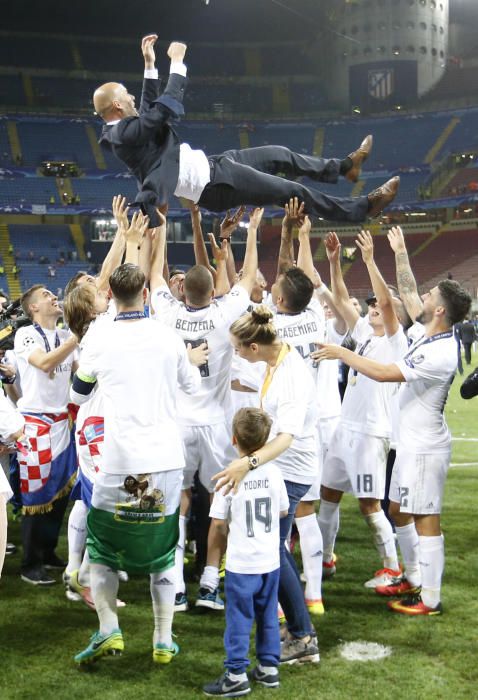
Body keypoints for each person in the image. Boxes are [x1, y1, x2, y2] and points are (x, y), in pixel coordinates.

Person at [93, 35, 400, 228]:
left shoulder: (126, 129)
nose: (133, 97)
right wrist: (176, 63)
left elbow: (147, 114)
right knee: (291, 191)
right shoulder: (121, 135)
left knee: (280, 154)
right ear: (118, 106)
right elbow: (160, 112)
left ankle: (345, 168)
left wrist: (150, 65)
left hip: (213, 165)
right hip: (214, 185)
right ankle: (363, 209)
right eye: (127, 95)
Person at [71, 263, 206, 665]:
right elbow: (192, 385)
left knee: (102, 547)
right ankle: (163, 637)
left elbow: (79, 394)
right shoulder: (168, 337)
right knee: (165, 548)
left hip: (118, 460)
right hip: (165, 457)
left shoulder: (100, 334)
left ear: (109, 296)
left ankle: (109, 629)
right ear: (146, 294)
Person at [316, 277, 472, 615]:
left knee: (426, 518)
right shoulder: (427, 334)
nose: (423, 296)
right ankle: (412, 576)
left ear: (441, 309)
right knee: (399, 510)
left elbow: (386, 373)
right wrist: (398, 253)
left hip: (424, 446)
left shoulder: (441, 351)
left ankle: (430, 598)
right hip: (408, 444)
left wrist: (341, 352)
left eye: (432, 295)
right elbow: (409, 293)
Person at [149, 208, 260, 611]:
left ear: (185, 292)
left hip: (177, 424)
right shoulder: (223, 314)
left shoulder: (168, 313)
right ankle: (210, 583)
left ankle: (175, 586)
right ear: (212, 291)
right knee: (220, 503)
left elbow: (156, 277)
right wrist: (253, 233)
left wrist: (160, 226)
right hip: (215, 423)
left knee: (176, 504)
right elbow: (247, 279)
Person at [216, 306, 320, 665]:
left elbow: (287, 437)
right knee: (277, 546)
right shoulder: (277, 358)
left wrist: (247, 462)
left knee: (274, 547)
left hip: (291, 467)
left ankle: (303, 635)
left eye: (239, 348)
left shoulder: (291, 375)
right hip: (282, 466)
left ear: (254, 347)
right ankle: (299, 629)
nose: (238, 354)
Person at [315, 231, 405, 589]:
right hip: (346, 428)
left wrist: (369, 261)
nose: (372, 308)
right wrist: (336, 262)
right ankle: (323, 558)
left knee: (369, 506)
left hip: (371, 431)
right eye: (368, 305)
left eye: (378, 305)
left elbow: (386, 301)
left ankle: (391, 567)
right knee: (328, 495)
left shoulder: (398, 340)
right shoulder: (366, 332)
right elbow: (339, 299)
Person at [203, 407, 289, 697]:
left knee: (239, 617)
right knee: (267, 614)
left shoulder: (228, 477)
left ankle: (236, 673)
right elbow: (283, 510)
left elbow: (218, 524)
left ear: (233, 438)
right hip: (270, 560)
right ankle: (268, 668)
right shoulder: (275, 472)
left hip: (242, 562)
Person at [14, 285, 79, 585]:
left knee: (58, 496)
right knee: (35, 497)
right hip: (35, 423)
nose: (54, 297)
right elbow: (44, 362)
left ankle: (49, 551)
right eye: (46, 296)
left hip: (62, 422)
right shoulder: (25, 334)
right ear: (33, 308)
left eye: (54, 294)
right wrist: (79, 336)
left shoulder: (66, 337)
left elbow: (80, 374)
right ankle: (30, 564)